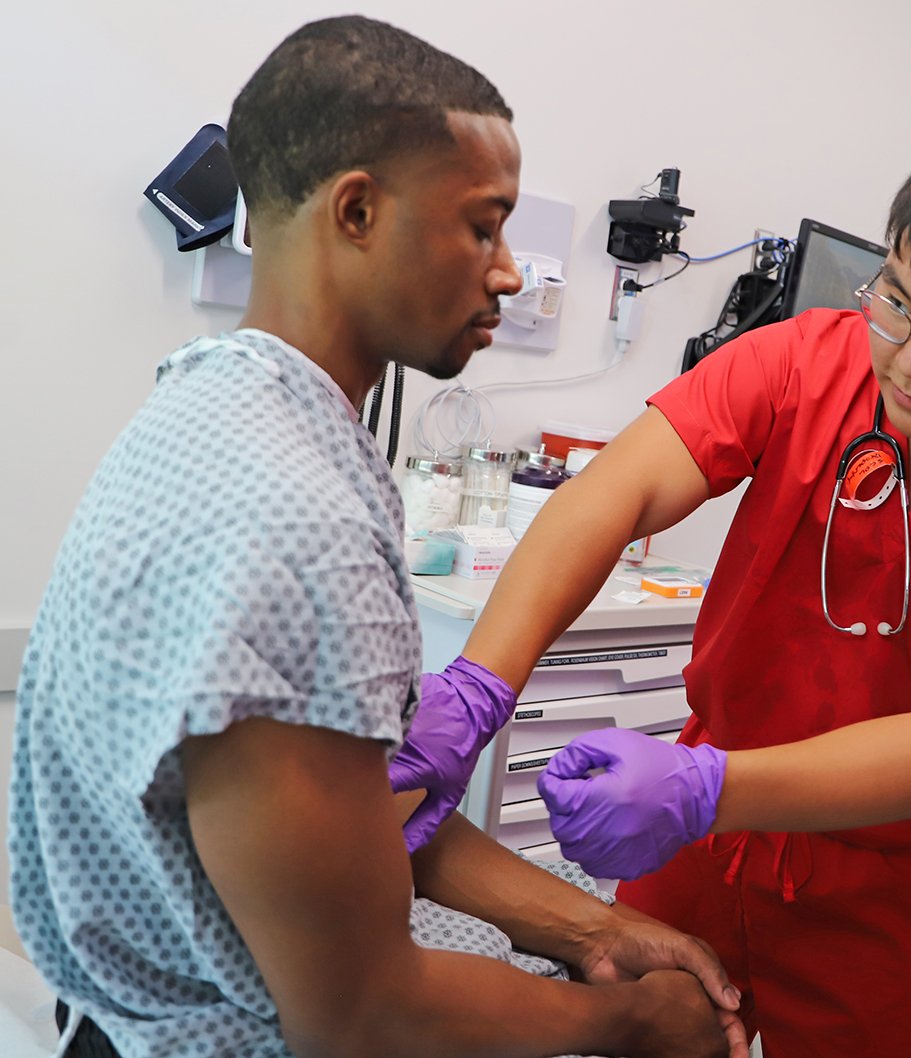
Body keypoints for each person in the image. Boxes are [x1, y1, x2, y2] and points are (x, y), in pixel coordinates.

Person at [6, 16, 747, 1058]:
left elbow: (357, 823)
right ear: (356, 211)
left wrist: (597, 924)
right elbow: (360, 1015)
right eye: (483, 227)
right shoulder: (291, 518)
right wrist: (630, 1019)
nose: (507, 273)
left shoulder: (211, 403)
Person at [430, 111, 911, 1057]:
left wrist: (708, 787)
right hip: (699, 851)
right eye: (900, 301)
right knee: (648, 1033)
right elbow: (613, 497)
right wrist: (481, 683)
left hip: (892, 892)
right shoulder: (805, 362)